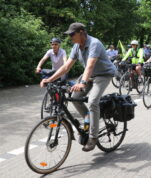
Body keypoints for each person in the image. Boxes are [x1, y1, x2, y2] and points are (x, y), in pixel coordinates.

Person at [40, 22, 116, 152]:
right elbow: (66, 66)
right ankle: (88, 118)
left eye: (72, 34)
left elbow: (90, 65)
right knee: (75, 97)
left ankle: (93, 137)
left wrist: (82, 83)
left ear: (81, 32)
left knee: (92, 101)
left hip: (104, 74)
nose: (70, 37)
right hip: (89, 75)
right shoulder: (76, 46)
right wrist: (49, 79)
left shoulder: (94, 43)